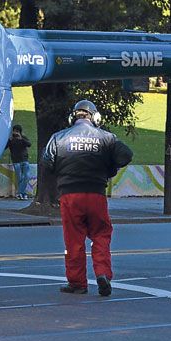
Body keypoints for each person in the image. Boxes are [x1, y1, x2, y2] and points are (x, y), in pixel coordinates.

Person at [43, 100, 132, 297]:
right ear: (95, 117)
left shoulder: (59, 137)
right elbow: (126, 155)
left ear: (73, 117)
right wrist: (109, 167)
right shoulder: (107, 137)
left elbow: (47, 162)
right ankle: (102, 273)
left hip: (69, 194)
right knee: (101, 234)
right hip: (96, 193)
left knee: (73, 239)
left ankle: (77, 283)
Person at [5, 124, 32, 199]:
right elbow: (5, 147)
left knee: (26, 177)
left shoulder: (23, 138)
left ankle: (20, 193)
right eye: (14, 131)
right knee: (20, 178)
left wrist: (21, 138)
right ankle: (23, 194)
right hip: (16, 161)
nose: (15, 133)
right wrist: (8, 140)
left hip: (24, 160)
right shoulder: (11, 140)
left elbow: (29, 144)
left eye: (17, 131)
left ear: (20, 132)